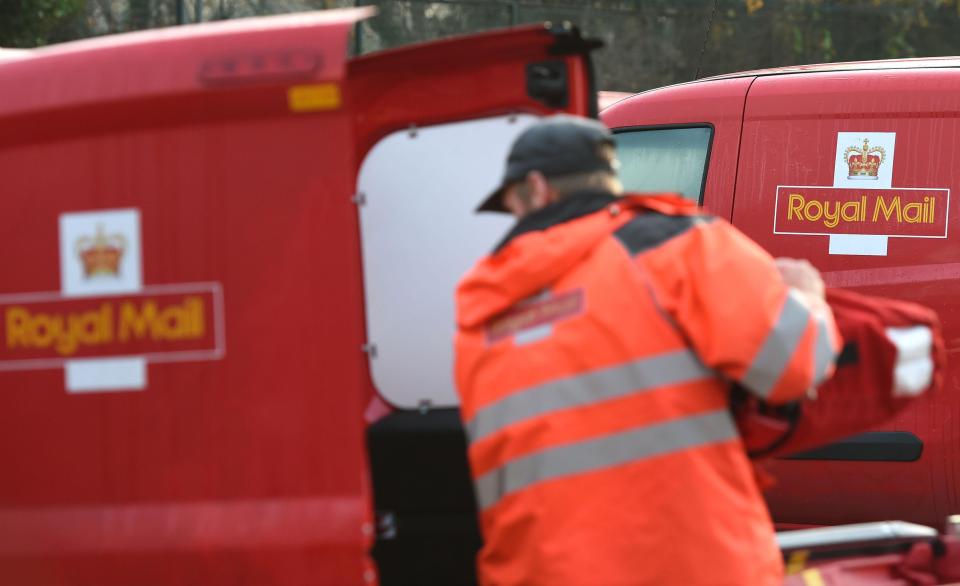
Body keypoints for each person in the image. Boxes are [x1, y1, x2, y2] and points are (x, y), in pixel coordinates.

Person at [453, 114, 841, 585]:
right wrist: (806, 297)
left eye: (511, 204)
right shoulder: (674, 247)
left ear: (536, 190)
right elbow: (793, 364)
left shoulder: (481, 316)